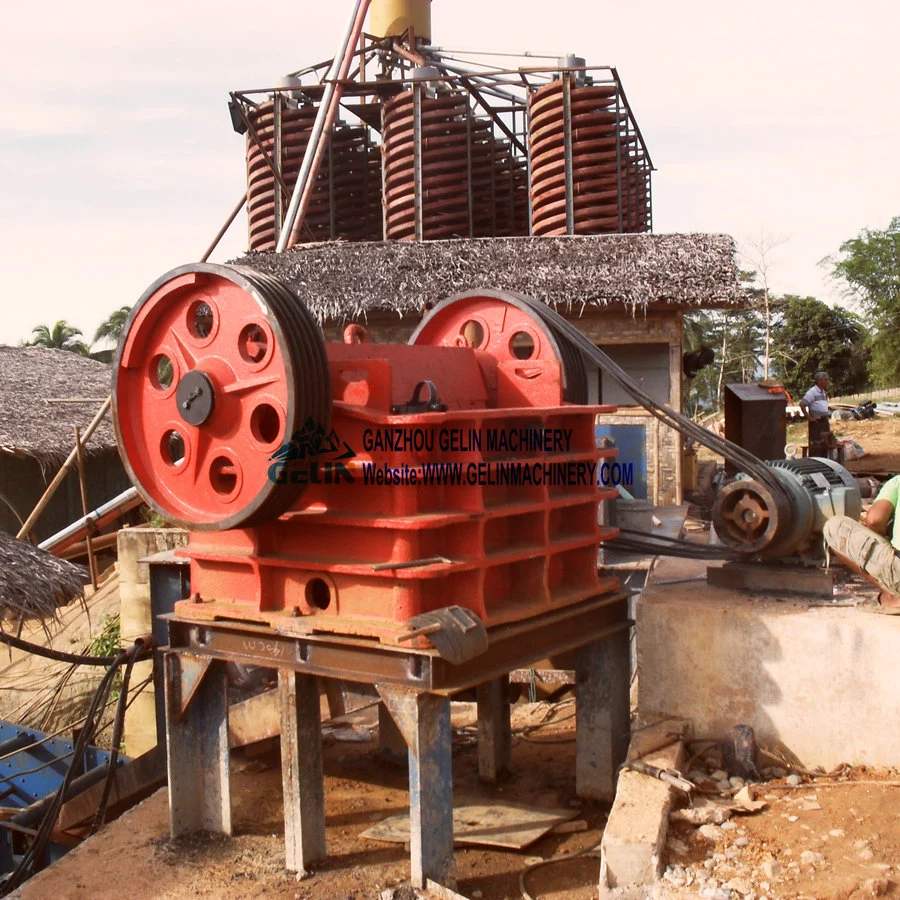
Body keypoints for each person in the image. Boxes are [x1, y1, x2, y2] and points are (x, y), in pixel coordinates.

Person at [823, 475, 900, 601]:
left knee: (833, 526)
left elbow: (874, 520)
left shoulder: (897, 482)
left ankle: (892, 594)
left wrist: (882, 540)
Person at [799, 371, 832, 457]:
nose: (827, 382)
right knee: (816, 445)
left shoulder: (823, 392)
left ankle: (824, 463)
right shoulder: (812, 392)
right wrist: (809, 417)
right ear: (820, 381)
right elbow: (802, 404)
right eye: (826, 380)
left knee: (825, 444)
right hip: (817, 423)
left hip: (824, 421)